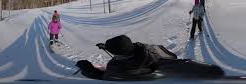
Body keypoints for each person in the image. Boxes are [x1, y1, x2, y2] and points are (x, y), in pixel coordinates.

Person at [76, 35, 224, 80]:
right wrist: (107, 46)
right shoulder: (143, 47)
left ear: (119, 54)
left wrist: (86, 67)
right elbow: (172, 57)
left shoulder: (118, 68)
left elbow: (104, 76)